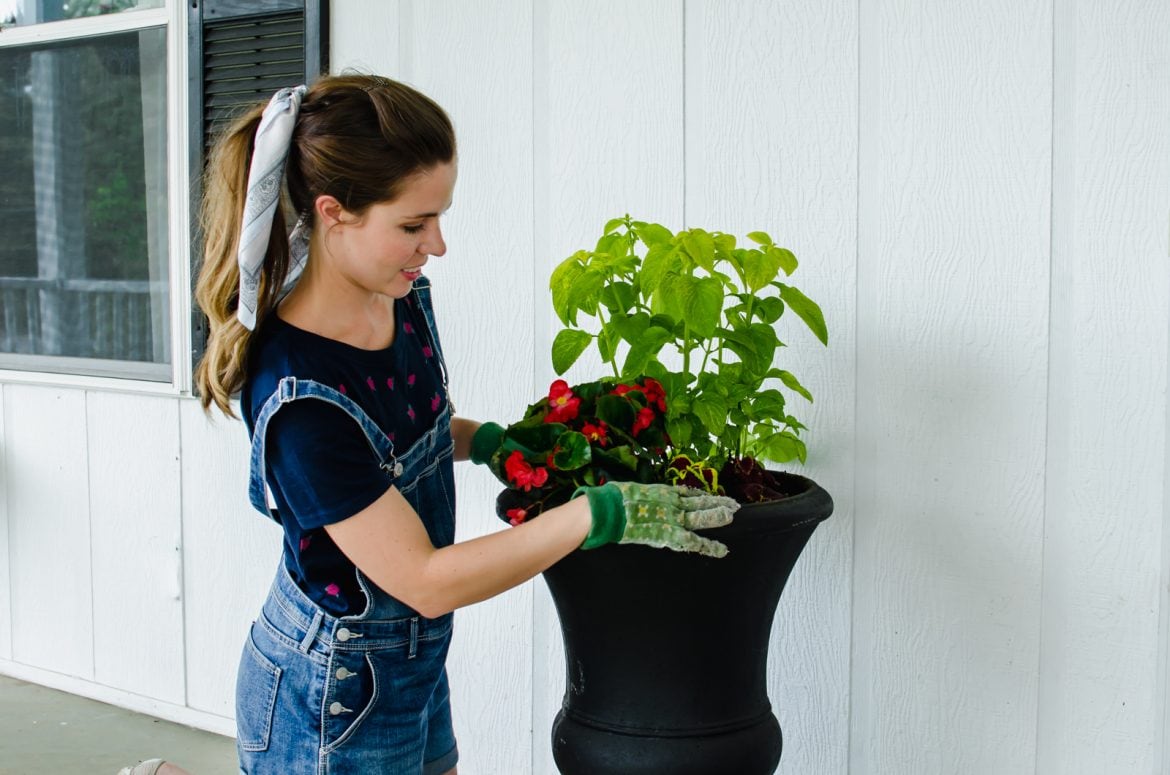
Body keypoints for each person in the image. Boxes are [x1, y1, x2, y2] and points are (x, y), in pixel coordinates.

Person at [179, 74, 737, 775]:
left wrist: (491, 443)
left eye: (439, 216)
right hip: (334, 691)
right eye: (413, 224)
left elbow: (402, 436)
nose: (436, 244)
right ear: (334, 213)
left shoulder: (397, 300)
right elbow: (426, 578)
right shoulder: (303, 403)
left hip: (407, 661)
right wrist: (596, 515)